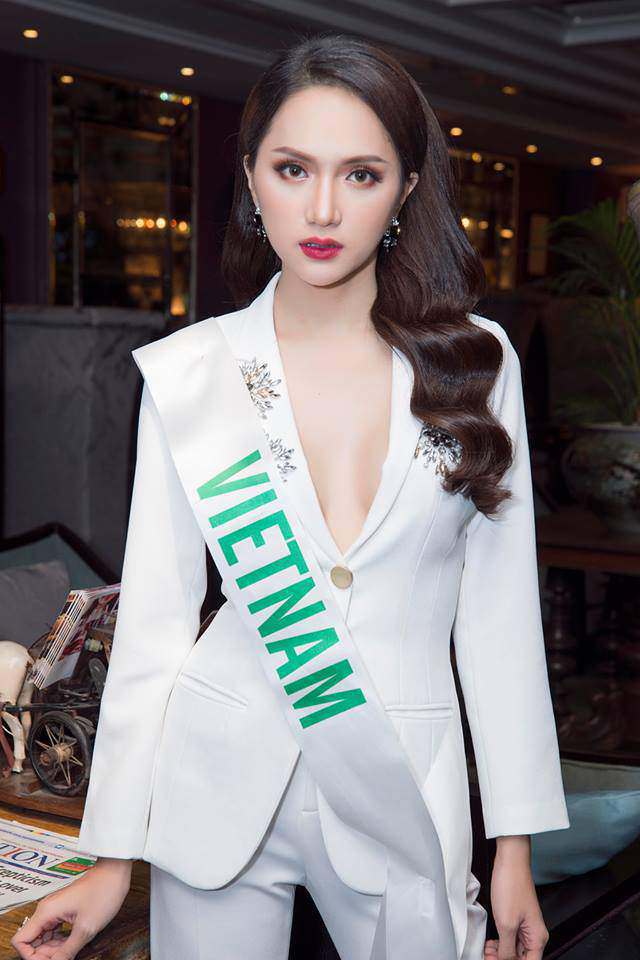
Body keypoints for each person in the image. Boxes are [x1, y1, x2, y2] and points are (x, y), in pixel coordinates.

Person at [12, 32, 570, 960]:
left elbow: (499, 620)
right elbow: (154, 629)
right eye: (292, 168)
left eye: (361, 175)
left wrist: (513, 845)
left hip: (402, 782)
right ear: (250, 177)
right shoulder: (191, 373)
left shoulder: (476, 362)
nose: (322, 209)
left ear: (406, 189)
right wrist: (111, 859)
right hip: (216, 784)